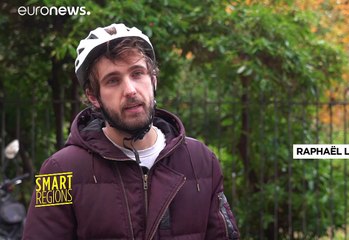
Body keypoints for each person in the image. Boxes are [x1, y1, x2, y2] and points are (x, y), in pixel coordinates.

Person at [23, 23, 240, 240]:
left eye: (137, 74)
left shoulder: (201, 160)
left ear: (153, 80)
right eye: (113, 81)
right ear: (93, 97)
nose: (130, 90)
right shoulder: (57, 171)